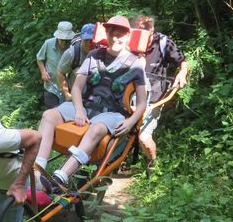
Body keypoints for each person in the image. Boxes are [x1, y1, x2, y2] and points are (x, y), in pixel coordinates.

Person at [35, 15, 148, 188]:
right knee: (49, 115)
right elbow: (77, 88)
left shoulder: (136, 64)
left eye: (120, 34)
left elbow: (142, 103)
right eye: (111, 32)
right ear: (106, 34)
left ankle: (60, 178)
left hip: (112, 112)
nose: (115, 37)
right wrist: (79, 110)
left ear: (127, 36)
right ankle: (38, 169)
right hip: (85, 105)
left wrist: (130, 122)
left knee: (96, 129)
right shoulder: (94, 55)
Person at [131, 14, 189, 176]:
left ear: (151, 31)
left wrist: (182, 74)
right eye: (136, 33)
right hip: (129, 95)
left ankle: (152, 165)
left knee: (144, 137)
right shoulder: (129, 40)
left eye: (143, 34)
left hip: (154, 98)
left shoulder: (163, 42)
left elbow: (182, 61)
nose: (139, 38)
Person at [36, 21, 75, 108]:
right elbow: (39, 58)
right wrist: (43, 71)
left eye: (67, 40)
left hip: (69, 89)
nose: (64, 43)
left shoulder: (74, 47)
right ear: (57, 37)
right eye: (62, 40)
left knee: (67, 116)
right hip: (51, 86)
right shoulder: (48, 43)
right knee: (53, 113)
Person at [57, 23, 95, 102]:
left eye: (91, 40)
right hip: (75, 97)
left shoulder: (102, 52)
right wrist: (67, 94)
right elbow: (60, 72)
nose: (89, 43)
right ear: (81, 38)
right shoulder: (71, 53)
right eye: (86, 40)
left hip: (96, 98)